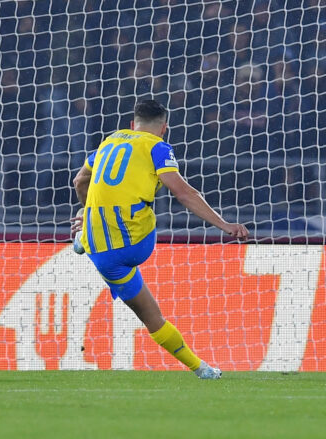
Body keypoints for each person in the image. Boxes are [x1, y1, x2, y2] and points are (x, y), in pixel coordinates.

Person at [71, 99, 248, 379]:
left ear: (132, 125)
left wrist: (86, 211)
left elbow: (80, 181)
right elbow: (184, 193)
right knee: (146, 206)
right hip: (137, 244)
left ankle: (201, 369)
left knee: (151, 317)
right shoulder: (157, 147)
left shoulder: (108, 141)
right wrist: (223, 224)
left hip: (102, 253)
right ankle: (201, 369)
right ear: (164, 129)